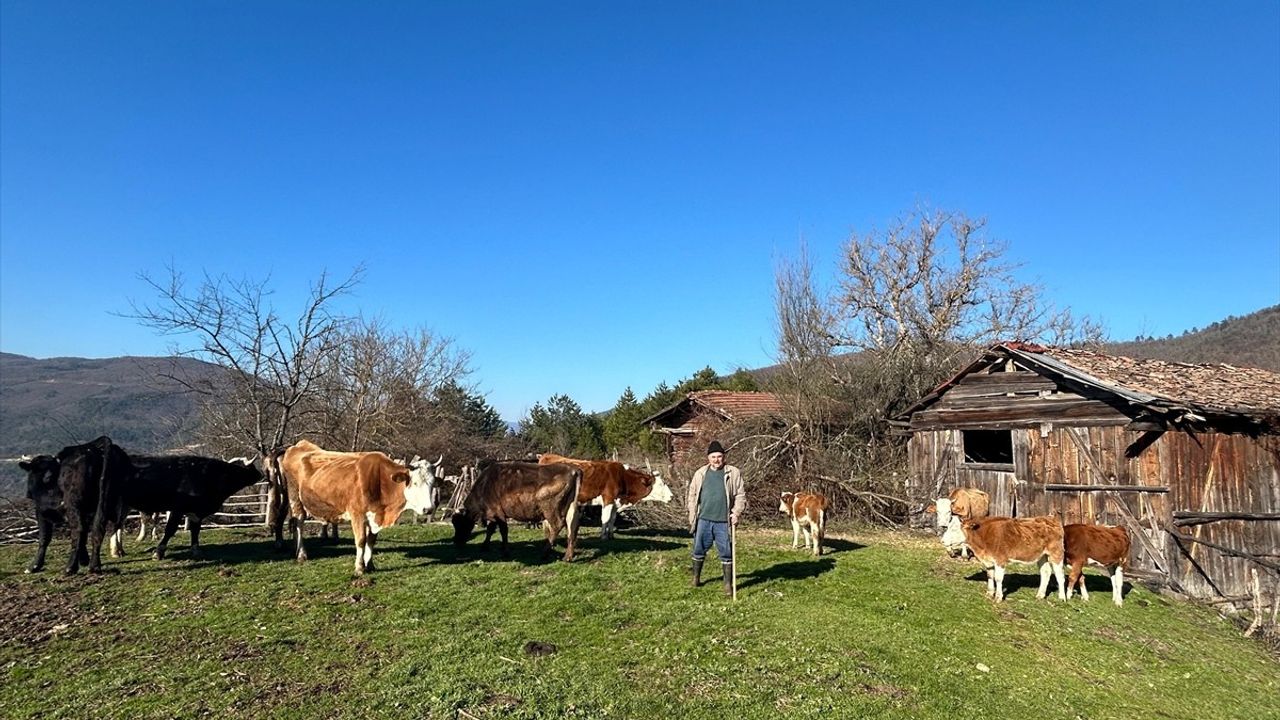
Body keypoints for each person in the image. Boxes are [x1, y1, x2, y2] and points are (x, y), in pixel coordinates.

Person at [687, 440, 746, 596]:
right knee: (698, 549)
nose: (716, 460)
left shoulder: (733, 473)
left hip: (723, 521)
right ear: (708, 458)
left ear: (724, 457)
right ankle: (696, 578)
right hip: (704, 519)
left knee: (726, 552)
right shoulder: (700, 473)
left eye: (719, 456)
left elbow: (740, 495)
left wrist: (736, 512)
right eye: (713, 457)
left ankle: (727, 585)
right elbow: (692, 495)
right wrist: (693, 513)